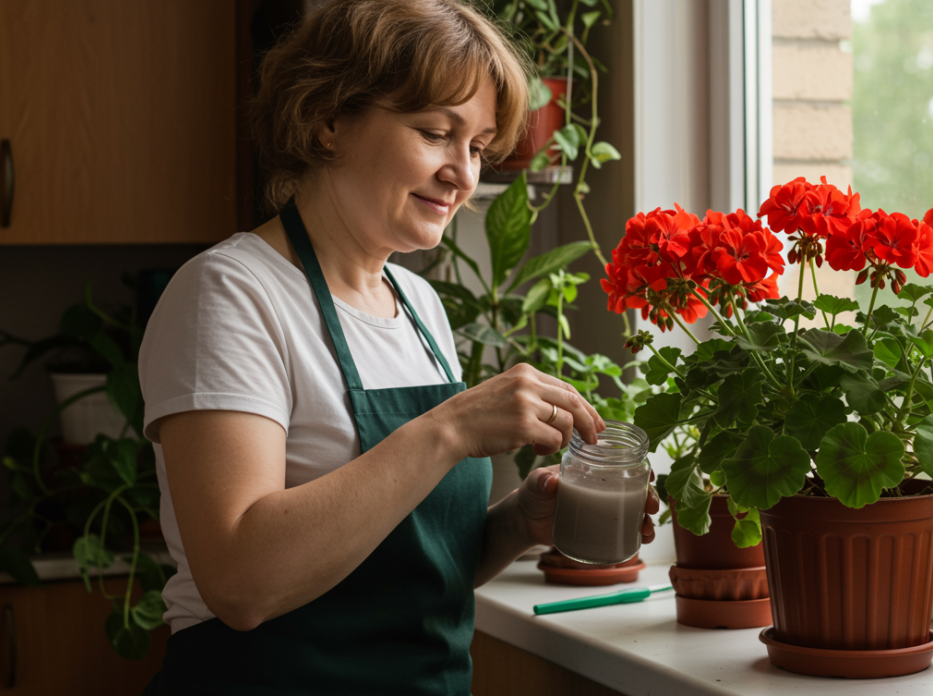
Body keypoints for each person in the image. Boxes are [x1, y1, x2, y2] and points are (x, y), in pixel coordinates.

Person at [137, 1, 657, 693]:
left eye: (477, 147)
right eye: (437, 133)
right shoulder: (230, 293)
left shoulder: (419, 308)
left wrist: (516, 525)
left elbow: (396, 568)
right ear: (328, 121)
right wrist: (450, 428)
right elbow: (241, 581)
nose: (464, 175)